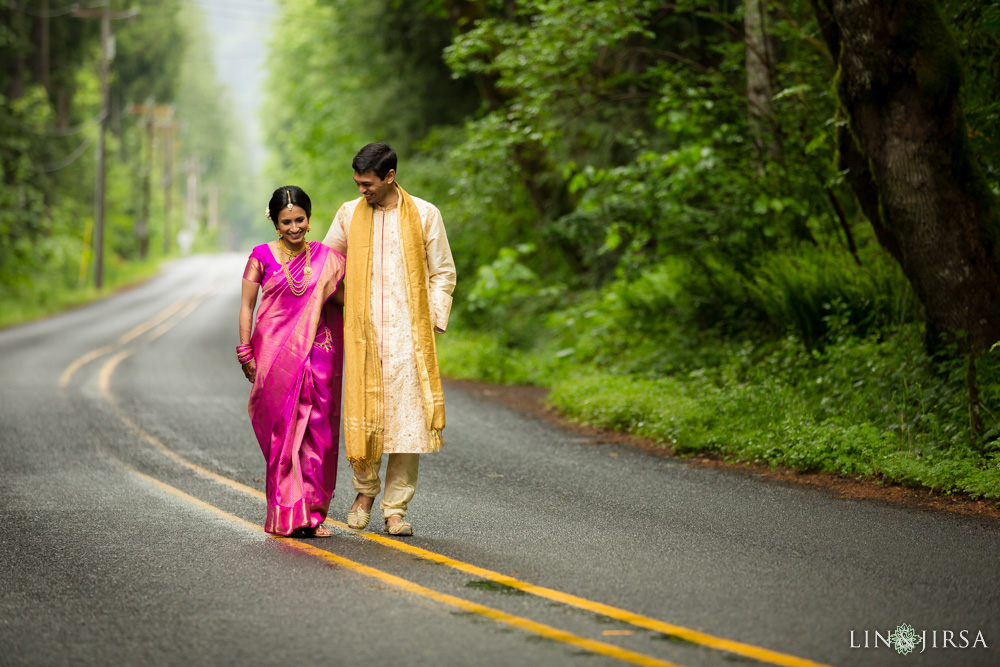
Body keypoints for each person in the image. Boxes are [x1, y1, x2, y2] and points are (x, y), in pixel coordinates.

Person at [323, 142, 456, 536]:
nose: (362, 190)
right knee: (366, 416)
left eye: (367, 183)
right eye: (358, 183)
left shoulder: (426, 215)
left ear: (390, 176)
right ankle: (364, 493)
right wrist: (349, 305)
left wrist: (429, 319)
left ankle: (395, 509)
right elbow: (327, 268)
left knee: (408, 424)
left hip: (409, 340)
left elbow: (443, 272)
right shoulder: (349, 214)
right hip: (364, 334)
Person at [238, 186, 346, 537]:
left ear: (309, 220)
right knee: (282, 438)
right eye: (287, 222)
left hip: (317, 357)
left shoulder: (327, 259)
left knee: (318, 436)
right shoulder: (261, 256)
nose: (295, 227)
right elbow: (247, 307)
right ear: (275, 222)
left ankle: (312, 516)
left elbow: (346, 300)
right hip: (273, 358)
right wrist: (245, 351)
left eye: (300, 220)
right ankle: (286, 515)